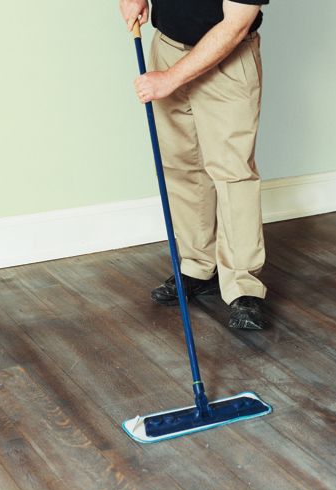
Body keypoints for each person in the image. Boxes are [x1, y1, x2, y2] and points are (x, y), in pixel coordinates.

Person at [119, 0, 270, 330]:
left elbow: (236, 25)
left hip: (228, 57)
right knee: (182, 166)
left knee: (233, 173)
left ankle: (243, 287)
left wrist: (169, 79)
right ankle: (197, 266)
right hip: (168, 47)